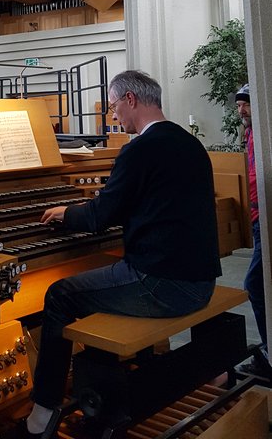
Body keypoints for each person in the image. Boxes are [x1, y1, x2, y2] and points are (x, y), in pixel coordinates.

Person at [19, 70, 222, 438]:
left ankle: (44, 408)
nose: (114, 117)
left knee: (59, 295)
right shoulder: (188, 143)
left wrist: (67, 213)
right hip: (200, 280)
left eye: (114, 107)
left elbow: (101, 216)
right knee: (99, 279)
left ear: (131, 99)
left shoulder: (139, 149)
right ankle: (115, 374)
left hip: (162, 285)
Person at [235, 84, 270, 377]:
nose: (241, 110)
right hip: (257, 218)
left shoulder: (263, 132)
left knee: (256, 286)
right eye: (238, 106)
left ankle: (269, 356)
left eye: (245, 104)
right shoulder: (249, 134)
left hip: (265, 217)